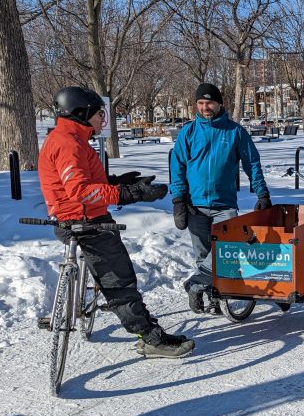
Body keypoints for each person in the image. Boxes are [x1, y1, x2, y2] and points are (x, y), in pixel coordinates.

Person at [38, 87, 194, 358]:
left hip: (75, 216)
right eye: (100, 114)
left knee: (113, 276)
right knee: (118, 280)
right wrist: (128, 193)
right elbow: (80, 191)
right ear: (81, 113)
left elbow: (82, 183)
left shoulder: (71, 138)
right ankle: (149, 337)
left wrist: (117, 182)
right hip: (86, 222)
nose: (103, 120)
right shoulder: (68, 143)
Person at [170, 82, 272, 314]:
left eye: (210, 103)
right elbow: (177, 167)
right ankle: (213, 297)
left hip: (224, 204)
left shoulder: (235, 132)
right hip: (194, 204)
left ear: (219, 104)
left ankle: (196, 284)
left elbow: (252, 163)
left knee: (226, 250)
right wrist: (178, 199)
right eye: (201, 103)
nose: (205, 107)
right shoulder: (189, 132)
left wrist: (262, 192)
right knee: (203, 255)